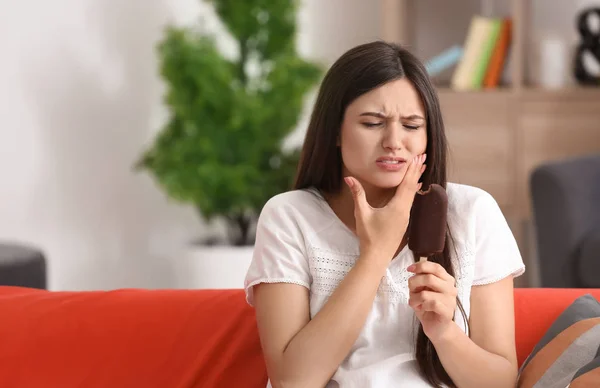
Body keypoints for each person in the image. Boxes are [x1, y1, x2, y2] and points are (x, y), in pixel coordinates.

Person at [244, 41, 526, 388]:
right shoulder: (289, 217)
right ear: (334, 131)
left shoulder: (472, 213)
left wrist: (444, 333)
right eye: (373, 123)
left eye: (411, 126)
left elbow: (500, 383)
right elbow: (293, 382)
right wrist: (375, 253)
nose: (394, 141)